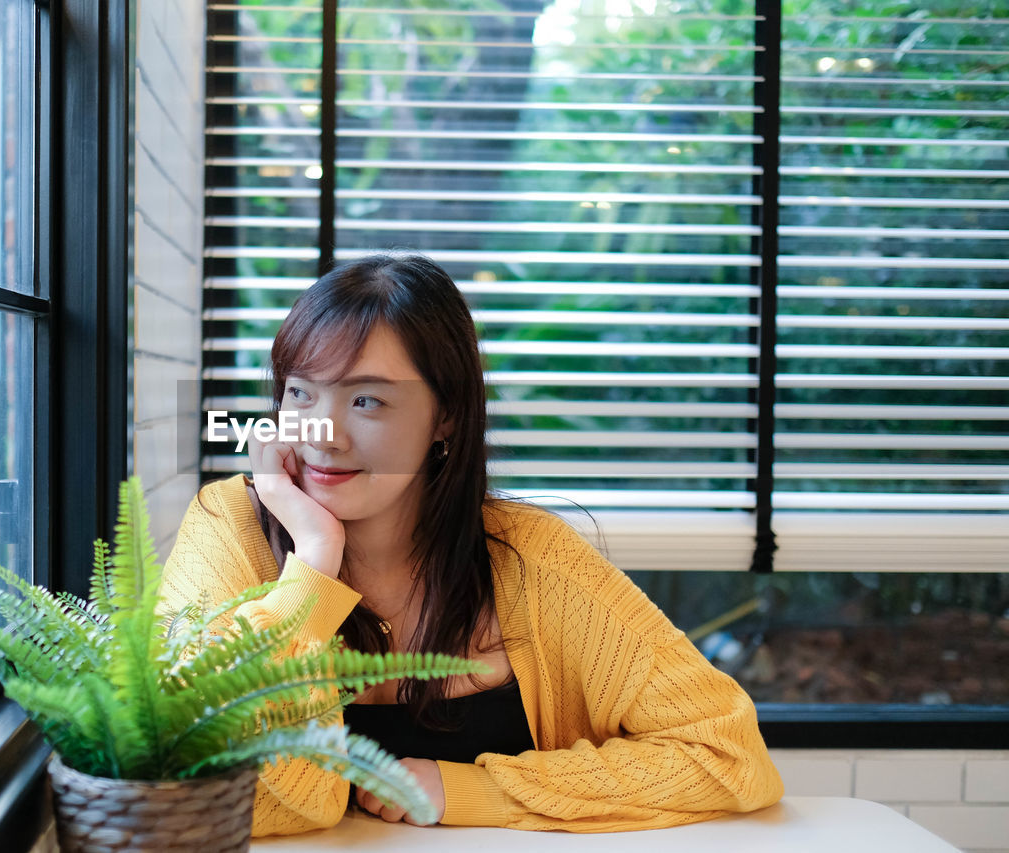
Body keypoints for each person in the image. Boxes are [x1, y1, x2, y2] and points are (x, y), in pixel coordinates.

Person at [161, 253, 784, 836]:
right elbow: (197, 778)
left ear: (446, 417)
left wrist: (475, 790)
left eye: (366, 399)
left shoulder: (528, 555)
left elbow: (727, 754)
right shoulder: (230, 525)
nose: (323, 435)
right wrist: (314, 568)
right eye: (300, 392)